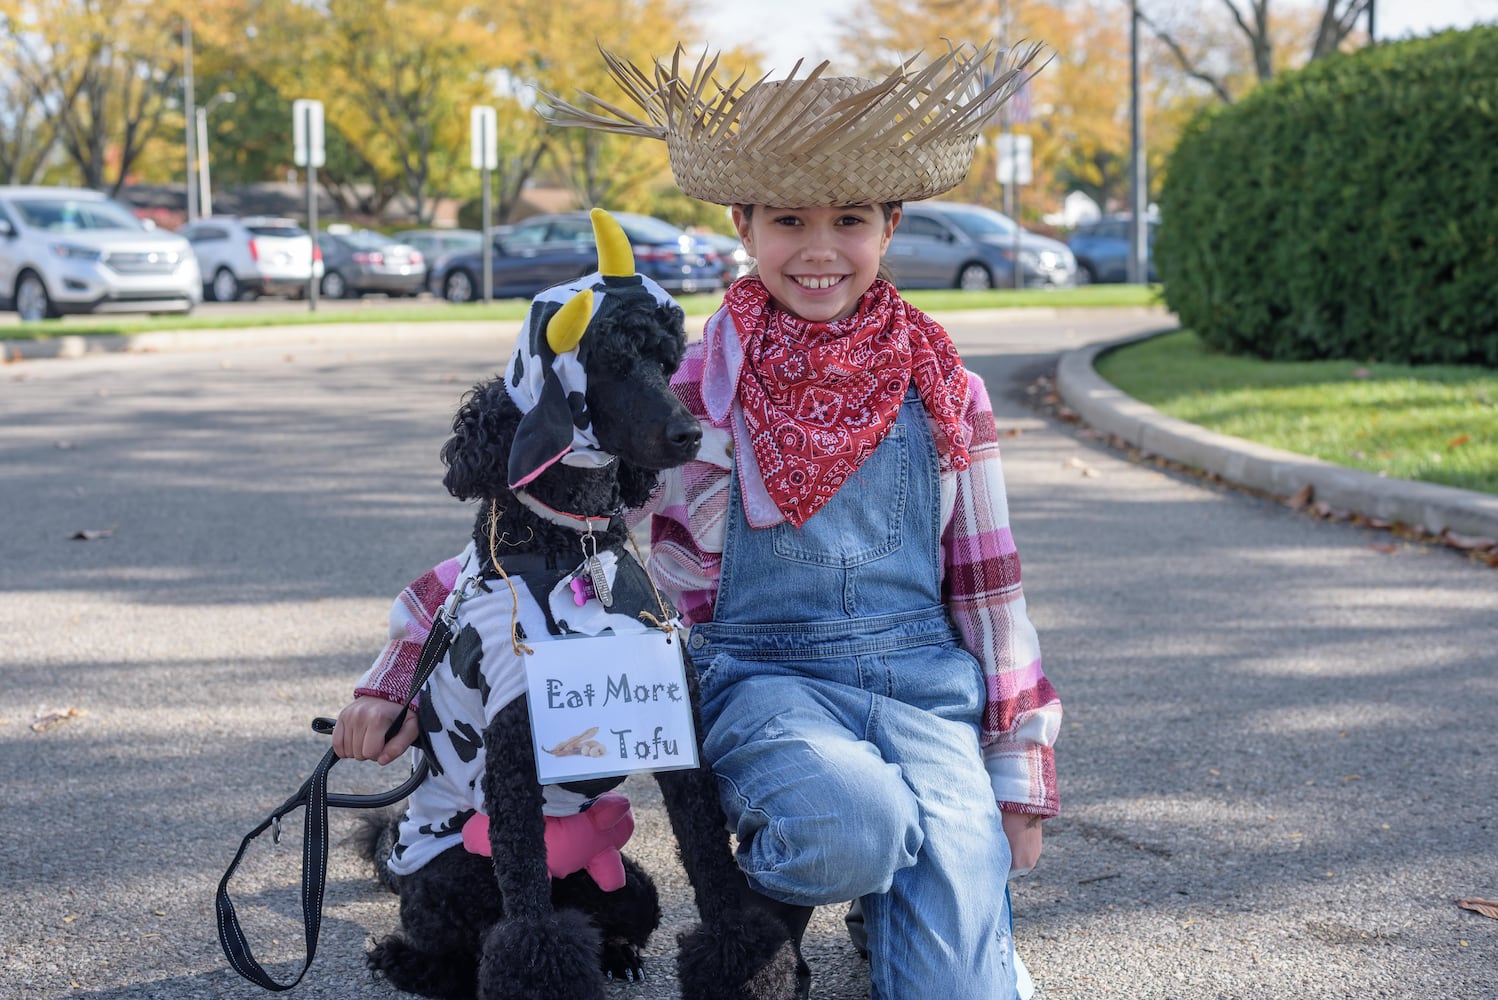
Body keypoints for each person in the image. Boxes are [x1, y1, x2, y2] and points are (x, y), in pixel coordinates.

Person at [337, 41, 1060, 1000]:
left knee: (958, 988)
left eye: (849, 220)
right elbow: (530, 543)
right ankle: (794, 896)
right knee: (853, 828)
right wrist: (396, 673)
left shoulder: (947, 390)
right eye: (789, 219)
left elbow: (990, 590)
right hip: (759, 676)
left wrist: (1017, 774)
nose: (818, 249)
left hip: (925, 685)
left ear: (890, 227)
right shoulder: (683, 392)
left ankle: (908, 903)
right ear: (744, 224)